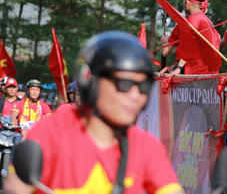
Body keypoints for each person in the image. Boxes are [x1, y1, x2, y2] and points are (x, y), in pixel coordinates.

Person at [5, 31, 183, 194]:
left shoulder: (146, 146)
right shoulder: (50, 134)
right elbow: (16, 188)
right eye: (125, 84)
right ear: (90, 80)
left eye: (143, 86)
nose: (135, 95)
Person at [159, 0, 222, 76]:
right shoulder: (209, 23)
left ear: (187, 2)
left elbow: (166, 52)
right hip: (209, 74)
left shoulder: (191, 20)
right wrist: (175, 66)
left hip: (194, 74)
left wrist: (165, 42)